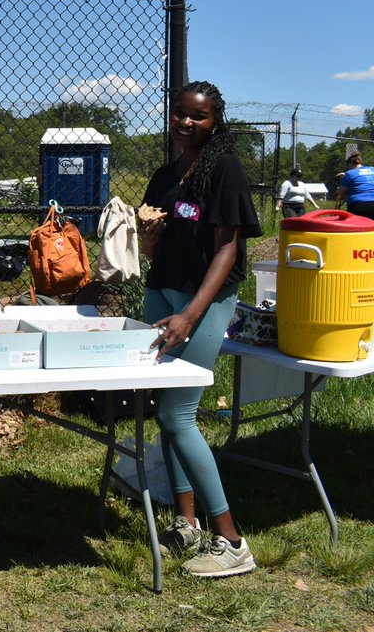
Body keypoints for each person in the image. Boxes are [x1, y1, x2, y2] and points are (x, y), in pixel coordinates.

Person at [139, 80, 261, 578]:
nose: (186, 123)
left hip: (203, 303)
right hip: (163, 292)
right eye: (180, 114)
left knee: (178, 414)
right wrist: (147, 237)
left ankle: (231, 540)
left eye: (198, 116)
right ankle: (186, 522)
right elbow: (158, 248)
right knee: (164, 408)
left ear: (216, 120)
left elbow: (228, 249)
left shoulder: (225, 170)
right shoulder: (165, 175)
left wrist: (191, 315)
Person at [337, 151, 374, 219]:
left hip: (358, 206)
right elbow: (363, 176)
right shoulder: (372, 169)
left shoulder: (349, 173)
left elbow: (340, 193)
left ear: (350, 164)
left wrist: (344, 179)